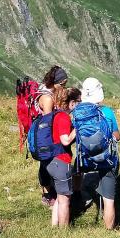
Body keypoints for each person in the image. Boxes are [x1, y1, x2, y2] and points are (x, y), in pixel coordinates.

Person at [77, 77, 120, 230]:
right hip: (107, 159)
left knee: (76, 174)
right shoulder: (107, 112)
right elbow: (117, 136)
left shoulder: (79, 114)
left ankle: (76, 204)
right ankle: (109, 231)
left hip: (86, 158)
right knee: (109, 200)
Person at [45, 88, 78, 227]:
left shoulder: (53, 115)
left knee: (59, 197)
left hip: (50, 161)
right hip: (61, 161)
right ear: (71, 103)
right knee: (64, 200)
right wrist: (76, 129)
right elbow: (65, 140)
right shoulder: (63, 117)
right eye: (78, 102)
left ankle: (54, 227)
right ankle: (63, 232)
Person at [36, 66, 69, 206]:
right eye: (62, 84)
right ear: (56, 82)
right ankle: (48, 194)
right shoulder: (47, 98)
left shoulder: (44, 90)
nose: (63, 87)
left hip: (42, 133)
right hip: (45, 136)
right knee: (45, 162)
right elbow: (48, 121)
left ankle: (50, 190)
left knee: (45, 162)